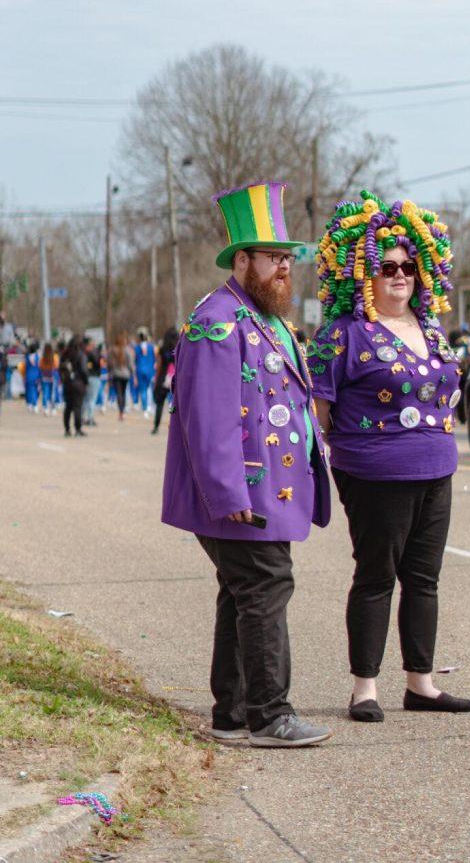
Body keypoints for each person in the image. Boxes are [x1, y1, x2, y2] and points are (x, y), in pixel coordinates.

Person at [162, 180, 331, 748]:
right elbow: (207, 420)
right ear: (242, 261)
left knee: (242, 590)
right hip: (240, 496)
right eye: (273, 258)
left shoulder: (267, 317)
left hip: (267, 494)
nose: (285, 268)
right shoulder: (218, 320)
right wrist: (228, 494)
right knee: (265, 586)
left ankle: (232, 714)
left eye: (288, 258)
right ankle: (269, 713)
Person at [310, 190, 470, 723]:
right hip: (374, 472)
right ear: (363, 274)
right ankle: (365, 689)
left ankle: (421, 684)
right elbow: (321, 414)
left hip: (437, 468)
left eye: (409, 265)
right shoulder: (343, 334)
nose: (399, 274)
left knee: (424, 577)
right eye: (387, 267)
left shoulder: (431, 328)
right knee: (377, 575)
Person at [151, 326, 178, 434]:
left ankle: (156, 426)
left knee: (160, 404)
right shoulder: (179, 347)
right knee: (176, 405)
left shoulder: (162, 349)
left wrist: (157, 379)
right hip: (176, 377)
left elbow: (159, 364)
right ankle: (175, 428)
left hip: (163, 377)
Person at [59, 335, 88, 436]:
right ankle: (78, 428)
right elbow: (84, 370)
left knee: (68, 407)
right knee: (77, 407)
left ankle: (67, 429)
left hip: (67, 383)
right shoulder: (81, 355)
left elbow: (60, 368)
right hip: (78, 383)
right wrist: (86, 381)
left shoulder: (65, 355)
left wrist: (64, 379)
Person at [109, 333, 133, 420]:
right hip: (125, 374)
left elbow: (110, 363)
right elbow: (130, 363)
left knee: (118, 393)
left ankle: (121, 412)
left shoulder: (112, 350)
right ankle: (123, 412)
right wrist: (132, 373)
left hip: (116, 374)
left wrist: (110, 372)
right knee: (123, 393)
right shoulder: (127, 350)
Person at [134, 328, 157, 417]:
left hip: (140, 370)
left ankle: (145, 408)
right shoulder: (151, 347)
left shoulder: (137, 348)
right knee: (150, 389)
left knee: (143, 390)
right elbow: (155, 359)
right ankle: (151, 407)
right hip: (150, 370)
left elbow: (135, 360)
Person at [82, 337, 102, 426]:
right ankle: (90, 418)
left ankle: (82, 418)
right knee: (91, 399)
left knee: (85, 399)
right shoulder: (93, 353)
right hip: (93, 377)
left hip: (85, 377)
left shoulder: (82, 354)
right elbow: (99, 363)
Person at [39, 342, 58, 416]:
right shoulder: (54, 357)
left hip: (44, 378)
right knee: (52, 393)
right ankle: (53, 409)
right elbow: (56, 366)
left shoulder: (42, 358)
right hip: (52, 378)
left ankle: (45, 408)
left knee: (45, 393)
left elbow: (40, 366)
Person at [24, 341, 42, 412]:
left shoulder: (27, 357)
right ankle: (34, 404)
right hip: (37, 376)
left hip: (28, 376)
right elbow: (40, 367)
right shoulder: (38, 357)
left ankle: (30, 404)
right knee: (35, 390)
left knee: (30, 390)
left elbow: (25, 367)